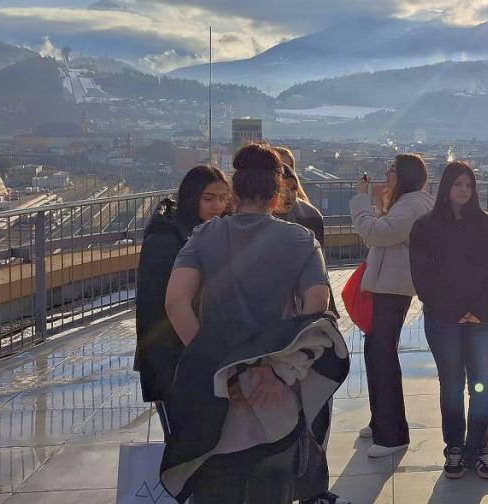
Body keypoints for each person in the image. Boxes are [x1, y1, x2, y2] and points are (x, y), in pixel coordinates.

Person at [161, 143, 347, 504]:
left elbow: (175, 302)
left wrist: (213, 364)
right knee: (272, 487)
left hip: (219, 387)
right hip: (276, 387)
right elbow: (317, 306)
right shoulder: (300, 239)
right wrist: (279, 372)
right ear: (277, 192)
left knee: (216, 486)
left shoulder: (205, 236)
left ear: (234, 190)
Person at [409, 161, 488, 480]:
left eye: (468, 185)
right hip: (443, 320)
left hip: (480, 318)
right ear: (446, 188)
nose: (463, 190)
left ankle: (478, 447)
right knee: (451, 384)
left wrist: (482, 308)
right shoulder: (425, 227)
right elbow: (421, 275)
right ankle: (454, 447)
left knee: (481, 385)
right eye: (458, 184)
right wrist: (451, 310)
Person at [349, 153, 435, 457]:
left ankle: (392, 433)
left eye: (391, 171)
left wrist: (360, 201)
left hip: (392, 288)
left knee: (381, 354)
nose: (387, 175)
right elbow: (384, 230)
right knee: (376, 353)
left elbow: (376, 233)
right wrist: (378, 203)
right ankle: (380, 421)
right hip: (390, 285)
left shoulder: (413, 205)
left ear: (404, 176)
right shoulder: (412, 202)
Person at [135, 165, 229, 434]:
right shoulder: (166, 240)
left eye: (223, 198)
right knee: (182, 442)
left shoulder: (211, 233)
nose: (217, 206)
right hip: (174, 361)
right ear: (191, 197)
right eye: (208, 198)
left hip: (202, 354)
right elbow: (156, 309)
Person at [273, 146, 326, 247]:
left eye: (288, 167)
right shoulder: (257, 213)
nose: (284, 171)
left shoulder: (310, 215)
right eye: (279, 168)